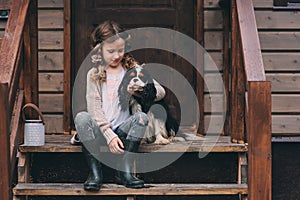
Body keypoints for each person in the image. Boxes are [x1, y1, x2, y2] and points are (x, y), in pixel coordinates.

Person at [71, 20, 166, 191]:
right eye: (111, 51)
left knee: (141, 118)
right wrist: (109, 136)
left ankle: (124, 172)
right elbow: (94, 109)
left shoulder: (132, 68)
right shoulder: (94, 73)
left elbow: (160, 91)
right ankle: (95, 173)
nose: (116, 56)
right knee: (82, 117)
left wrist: (140, 90)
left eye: (120, 50)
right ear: (99, 49)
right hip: (102, 132)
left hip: (123, 130)